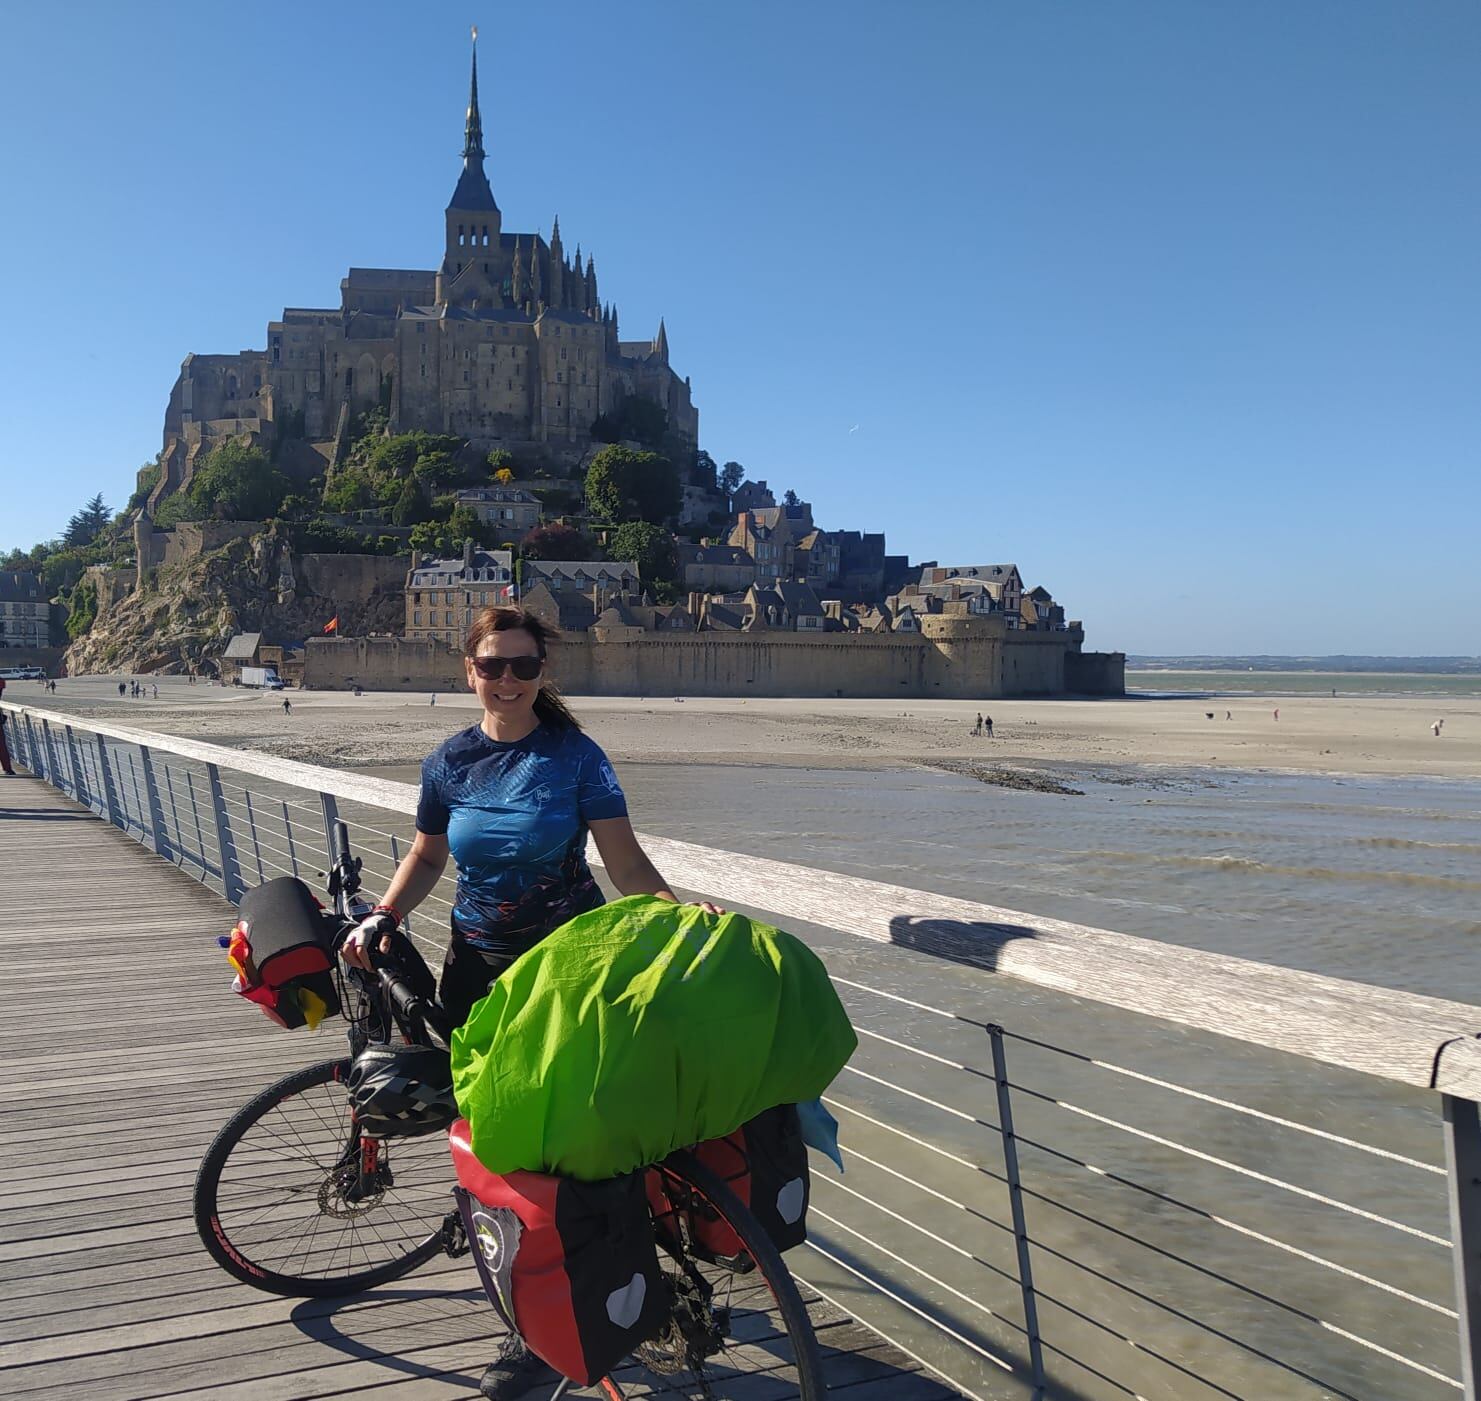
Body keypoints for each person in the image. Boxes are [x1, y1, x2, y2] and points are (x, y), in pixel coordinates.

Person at [341, 605, 722, 1400]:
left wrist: (682, 912)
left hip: (570, 973)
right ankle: (532, 1300)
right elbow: (426, 853)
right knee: (493, 1138)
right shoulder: (449, 762)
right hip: (478, 971)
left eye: (522, 665)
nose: (507, 679)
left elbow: (623, 860)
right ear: (468, 671)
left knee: (573, 1140)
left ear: (544, 673)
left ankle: (586, 1291)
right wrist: (384, 912)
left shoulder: (576, 757)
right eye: (492, 665)